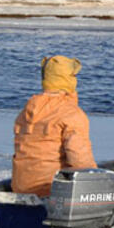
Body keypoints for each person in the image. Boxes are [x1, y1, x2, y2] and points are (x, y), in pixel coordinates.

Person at [11, 55, 96, 197]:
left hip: (21, 186)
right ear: (69, 80)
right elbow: (80, 161)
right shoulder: (72, 114)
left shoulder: (25, 112)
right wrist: (97, 182)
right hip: (51, 188)